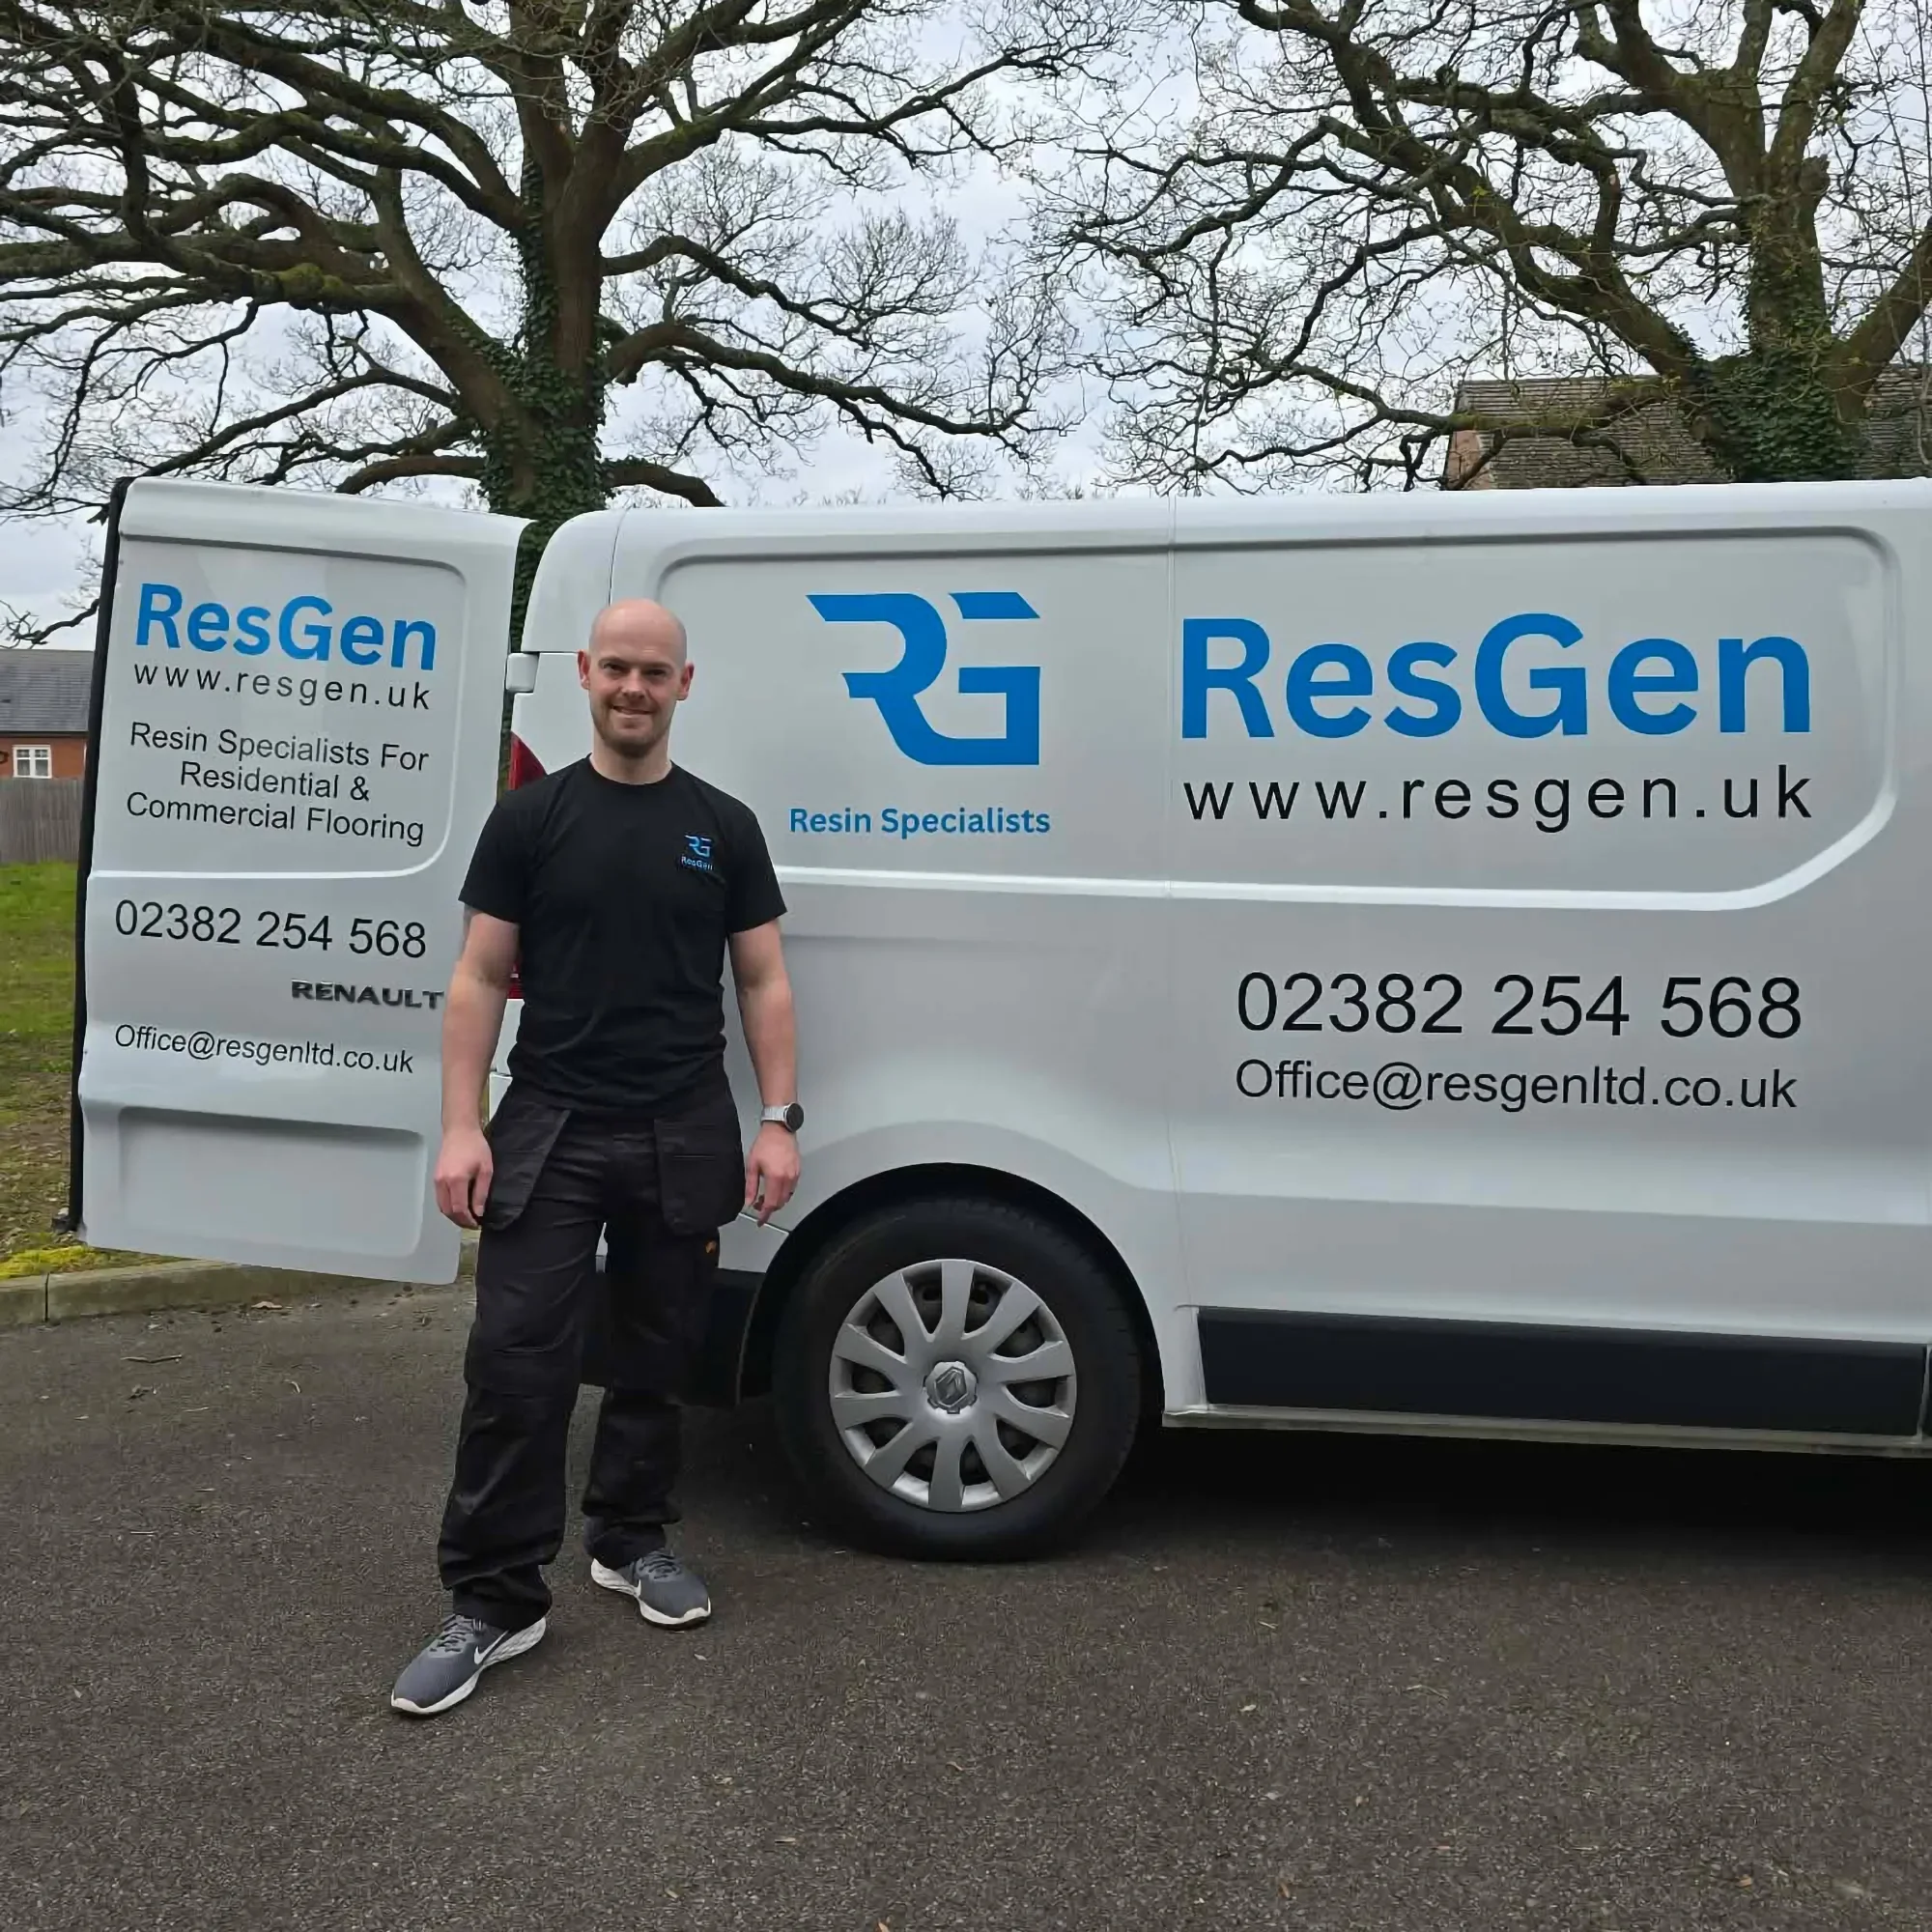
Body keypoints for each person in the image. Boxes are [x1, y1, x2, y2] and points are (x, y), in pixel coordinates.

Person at [390, 597, 802, 1718]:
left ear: (684, 683)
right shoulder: (530, 820)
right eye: (615, 666)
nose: (633, 686)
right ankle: (494, 1598)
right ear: (583, 673)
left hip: (682, 1122)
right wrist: (462, 1122)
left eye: (653, 671)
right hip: (552, 1118)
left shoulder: (723, 824)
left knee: (657, 1351)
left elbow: (761, 978)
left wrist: (778, 1116)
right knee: (515, 1360)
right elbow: (477, 977)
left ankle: (630, 1537)